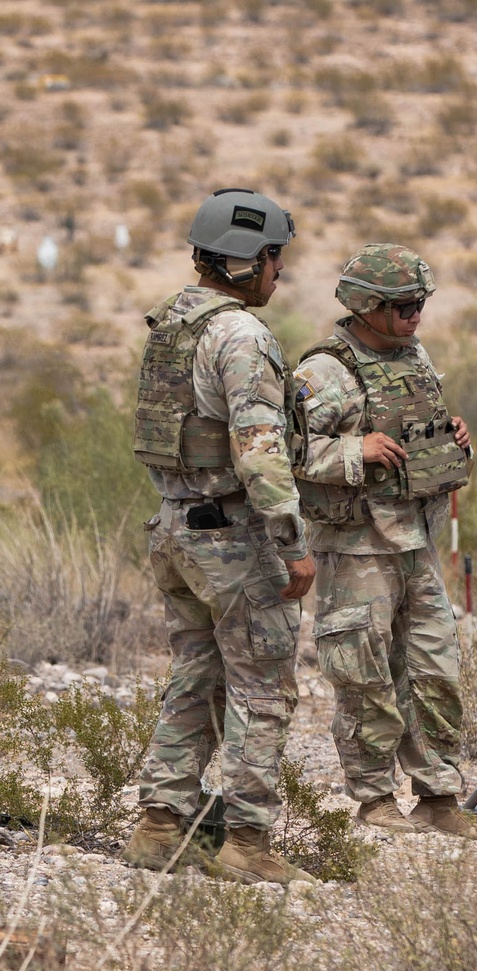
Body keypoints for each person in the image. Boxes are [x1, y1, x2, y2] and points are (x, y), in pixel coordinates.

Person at [123, 188, 317, 884]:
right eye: (273, 257)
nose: (279, 270)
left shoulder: (173, 323)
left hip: (175, 529)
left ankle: (159, 825)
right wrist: (293, 545)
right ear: (244, 262)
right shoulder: (240, 336)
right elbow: (260, 453)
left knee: (195, 676)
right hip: (231, 539)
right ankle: (247, 844)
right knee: (263, 688)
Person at [291, 243, 477, 838]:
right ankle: (373, 798)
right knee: (363, 673)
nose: (415, 315)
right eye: (403, 306)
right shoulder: (322, 372)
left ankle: (438, 795)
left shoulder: (414, 357)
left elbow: (418, 428)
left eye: (420, 303)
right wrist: (356, 450)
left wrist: (452, 437)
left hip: (417, 541)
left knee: (434, 667)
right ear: (366, 306)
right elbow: (282, 454)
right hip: (355, 546)